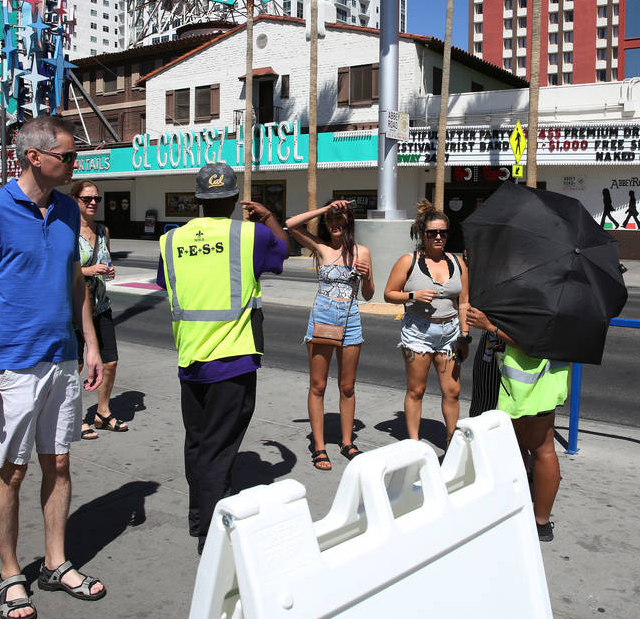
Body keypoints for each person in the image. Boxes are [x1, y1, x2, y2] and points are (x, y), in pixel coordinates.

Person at [0, 116, 106, 619]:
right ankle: (9, 573)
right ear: (34, 157)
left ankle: (54, 562)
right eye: (67, 156)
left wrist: (89, 344)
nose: (74, 164)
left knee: (60, 463)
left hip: (62, 359)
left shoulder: (68, 210)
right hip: (14, 365)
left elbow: (75, 284)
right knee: (12, 470)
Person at [156, 162, 288, 554]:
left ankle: (199, 516)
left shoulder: (170, 241)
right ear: (233, 200)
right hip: (232, 359)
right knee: (218, 448)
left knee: (197, 444)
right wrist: (268, 216)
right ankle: (211, 538)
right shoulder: (252, 235)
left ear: (197, 200)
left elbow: (170, 285)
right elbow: (284, 249)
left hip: (189, 359)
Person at [465, 307, 569, 542]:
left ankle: (528, 516)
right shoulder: (567, 296)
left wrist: (490, 327)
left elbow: (532, 341)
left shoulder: (538, 295)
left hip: (525, 384)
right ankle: (536, 518)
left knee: (536, 449)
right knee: (537, 448)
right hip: (550, 378)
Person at [286, 199, 375, 471]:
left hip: (351, 320)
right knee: (318, 385)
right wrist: (325, 209)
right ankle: (320, 446)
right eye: (330, 220)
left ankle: (347, 442)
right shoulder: (321, 248)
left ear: (349, 222)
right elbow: (290, 224)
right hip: (322, 319)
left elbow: (369, 295)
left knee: (347, 386)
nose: (335, 224)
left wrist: (367, 276)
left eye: (340, 218)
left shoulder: (362, 252)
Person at [384, 200, 470, 446]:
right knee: (416, 390)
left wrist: (465, 334)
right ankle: (413, 443)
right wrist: (413, 295)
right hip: (418, 332)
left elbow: (463, 302)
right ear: (423, 235)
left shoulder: (457, 262)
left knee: (452, 391)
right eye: (433, 233)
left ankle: (453, 442)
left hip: (450, 333)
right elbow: (389, 293)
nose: (439, 237)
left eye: (443, 232)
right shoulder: (408, 261)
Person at [69, 180, 124, 440]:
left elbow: (106, 262)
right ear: (75, 200)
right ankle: (76, 417)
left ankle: (103, 412)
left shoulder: (103, 231)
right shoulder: (67, 231)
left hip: (101, 305)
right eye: (86, 199)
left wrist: (109, 271)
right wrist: (88, 271)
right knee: (77, 364)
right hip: (74, 309)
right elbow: (58, 271)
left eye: (97, 199)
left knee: (110, 361)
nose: (93, 203)